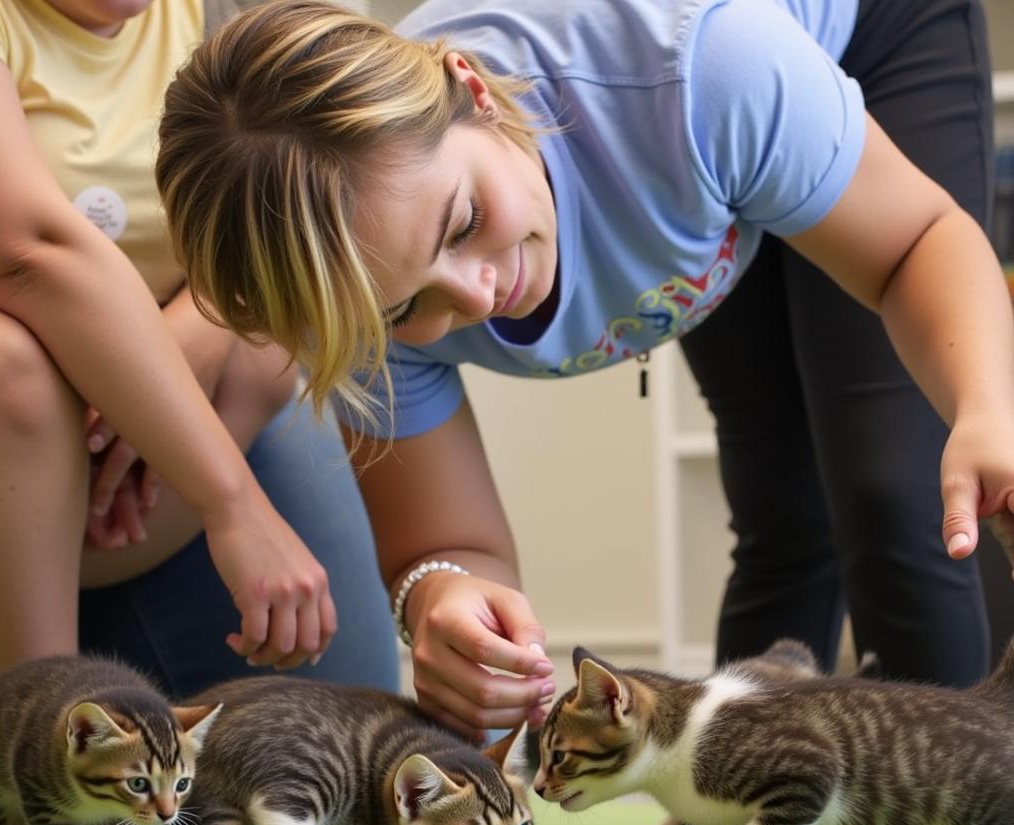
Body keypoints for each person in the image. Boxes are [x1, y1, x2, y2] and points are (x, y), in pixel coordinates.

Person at [154, 0, 1014, 740]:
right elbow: (451, 545)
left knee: (891, 491)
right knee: (784, 515)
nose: (480, 298)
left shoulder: (704, 78)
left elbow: (913, 245)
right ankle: (750, 805)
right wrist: (441, 597)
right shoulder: (348, 298)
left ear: (478, 96)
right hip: (707, 179)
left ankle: (962, 819)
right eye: (401, 311)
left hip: (850, 41)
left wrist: (985, 406)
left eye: (462, 225)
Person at [0, 0, 398, 697]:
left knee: (265, 348)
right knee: (10, 369)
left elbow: (304, 211)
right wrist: (235, 506)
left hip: (138, 474)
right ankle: (31, 740)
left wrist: (175, 354)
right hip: (16, 439)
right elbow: (26, 252)